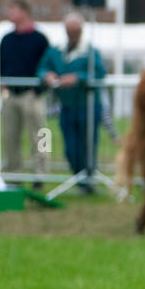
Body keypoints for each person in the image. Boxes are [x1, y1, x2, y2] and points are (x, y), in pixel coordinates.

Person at [40, 12, 107, 194]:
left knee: (88, 144)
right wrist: (47, 75)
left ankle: (88, 181)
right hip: (67, 106)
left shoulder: (90, 51)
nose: (73, 35)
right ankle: (79, 177)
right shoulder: (56, 51)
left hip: (88, 106)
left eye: (76, 31)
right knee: (70, 147)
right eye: (70, 32)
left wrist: (78, 77)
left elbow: (100, 73)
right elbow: (42, 67)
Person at [0, 0, 51, 184]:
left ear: (24, 12)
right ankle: (13, 173)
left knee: (41, 135)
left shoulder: (39, 39)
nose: (9, 14)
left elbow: (48, 65)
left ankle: (41, 172)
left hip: (32, 95)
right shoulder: (6, 40)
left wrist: (39, 90)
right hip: (11, 95)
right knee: (10, 136)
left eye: (12, 10)